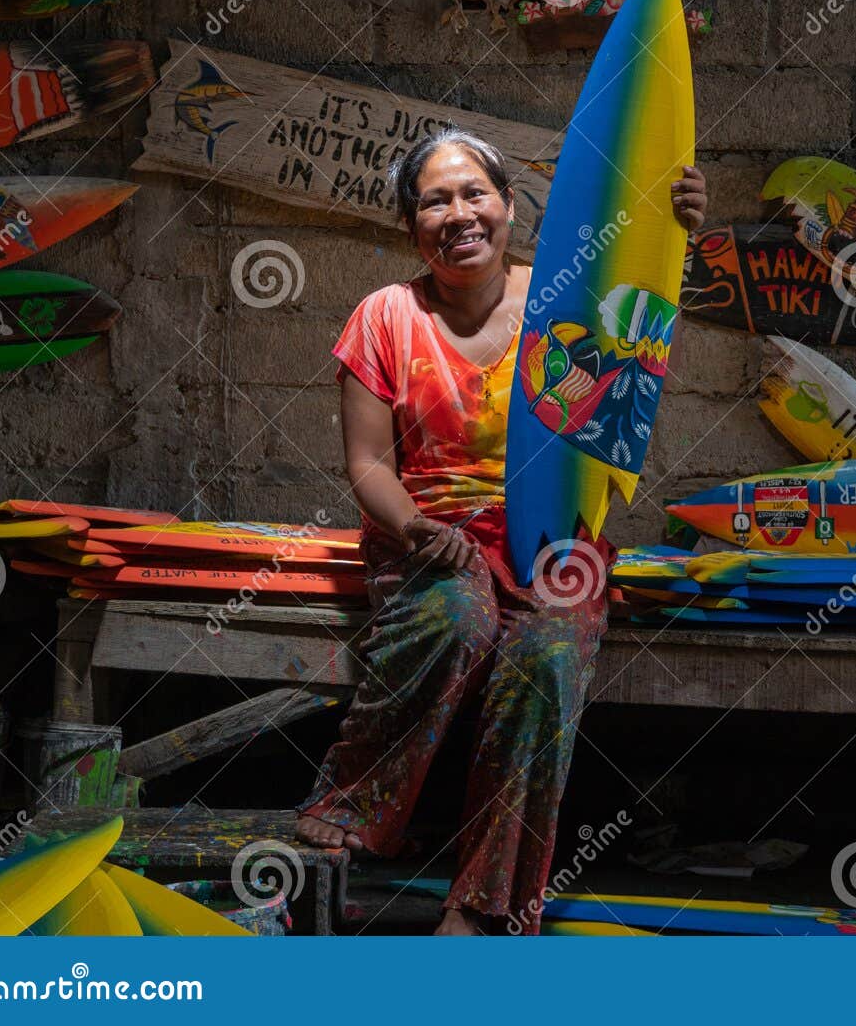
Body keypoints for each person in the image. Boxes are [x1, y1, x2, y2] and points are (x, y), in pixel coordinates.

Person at [295, 127, 707, 935]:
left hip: (547, 532)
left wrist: (675, 239)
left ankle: (484, 907)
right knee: (459, 615)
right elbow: (370, 464)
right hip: (426, 534)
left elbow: (633, 367)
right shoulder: (385, 317)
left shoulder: (563, 302)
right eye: (435, 200)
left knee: (548, 657)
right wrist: (415, 528)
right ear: (411, 227)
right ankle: (354, 801)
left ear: (510, 207)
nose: (459, 213)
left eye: (474, 193)